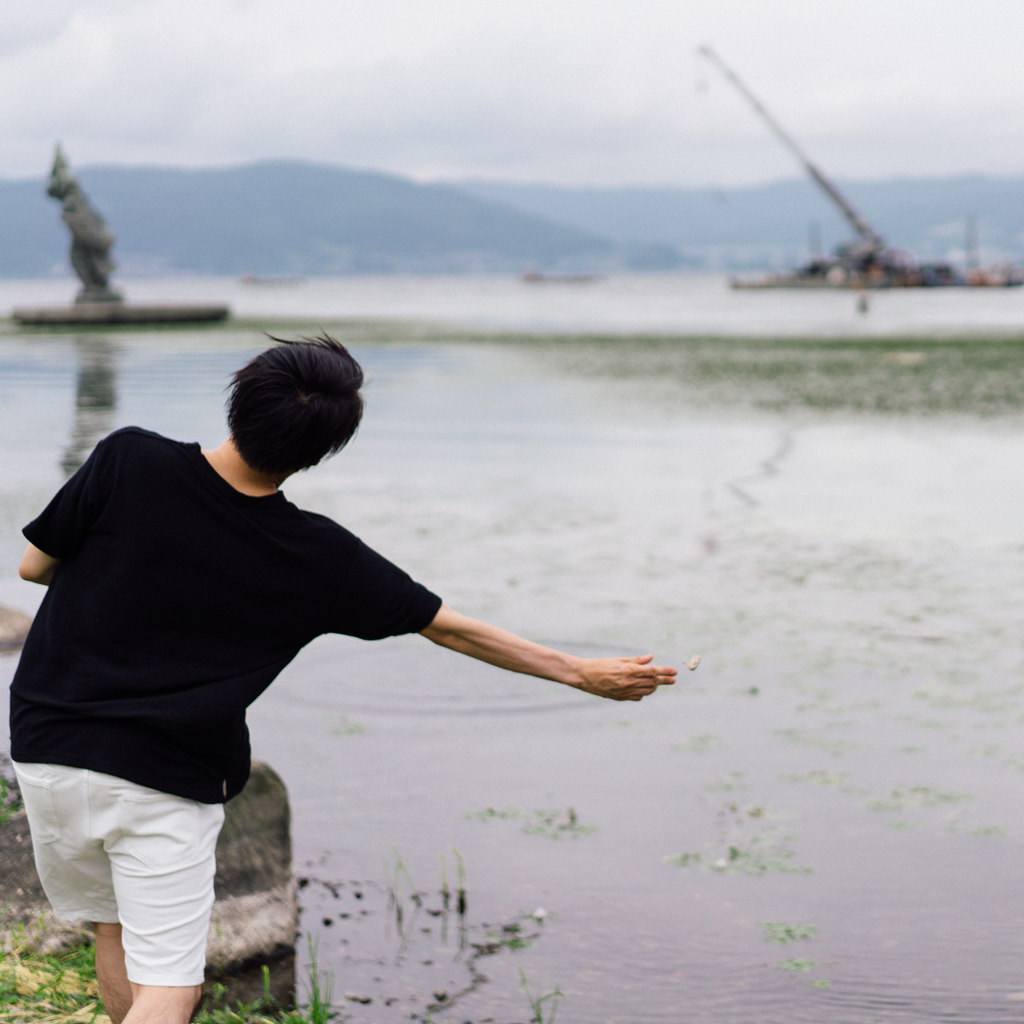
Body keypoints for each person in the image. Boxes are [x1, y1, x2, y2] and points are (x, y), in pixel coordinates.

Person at [11, 334, 677, 1024]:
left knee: (115, 930)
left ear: (240, 398)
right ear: (323, 451)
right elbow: (447, 626)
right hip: (163, 778)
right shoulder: (320, 556)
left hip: (47, 748)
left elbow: (33, 567)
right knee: (172, 986)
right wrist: (578, 671)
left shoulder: (130, 457)